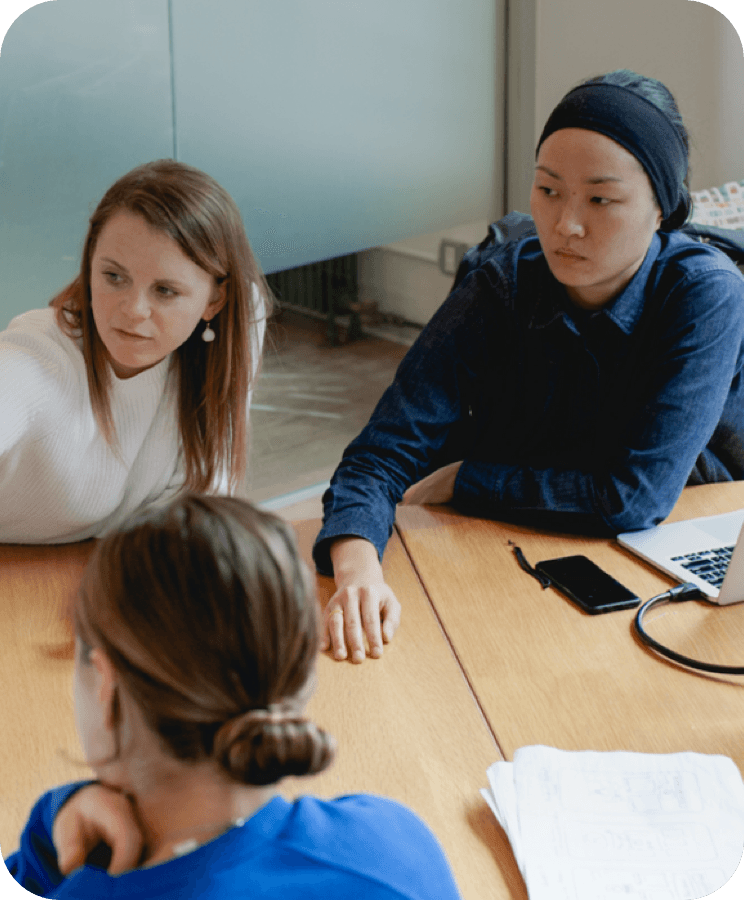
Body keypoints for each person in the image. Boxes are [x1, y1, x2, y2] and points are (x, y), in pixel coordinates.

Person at [312, 69, 744, 663]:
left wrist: (467, 480)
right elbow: (380, 455)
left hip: (669, 545)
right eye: (548, 190)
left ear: (662, 209)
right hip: (514, 543)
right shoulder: (503, 282)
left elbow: (633, 498)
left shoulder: (704, 293)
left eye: (601, 199)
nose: (566, 225)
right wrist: (357, 571)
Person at [4, 494, 463, 899]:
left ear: (107, 685)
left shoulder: (84, 887)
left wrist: (48, 836)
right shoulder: (391, 847)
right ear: (301, 670)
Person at [0, 159, 267, 543]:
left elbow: (206, 502)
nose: (133, 311)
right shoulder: (36, 359)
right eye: (114, 276)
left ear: (214, 300)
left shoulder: (236, 326)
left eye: (165, 291)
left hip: (117, 563)